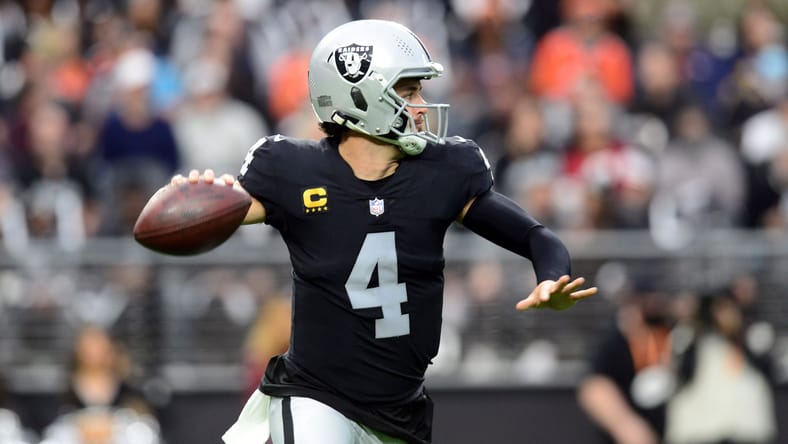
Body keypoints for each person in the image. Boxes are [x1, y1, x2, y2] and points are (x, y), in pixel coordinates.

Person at [168, 19, 597, 444]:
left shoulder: (442, 172)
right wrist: (195, 201)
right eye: (408, 91)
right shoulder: (293, 170)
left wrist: (550, 276)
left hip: (399, 411)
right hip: (316, 395)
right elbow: (214, 213)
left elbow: (536, 236)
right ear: (359, 95)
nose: (422, 104)